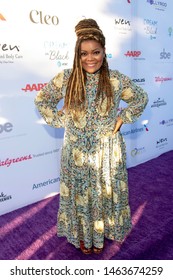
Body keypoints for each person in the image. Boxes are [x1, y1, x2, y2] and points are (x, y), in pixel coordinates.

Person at [35, 18, 148, 254]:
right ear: (77, 54)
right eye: (84, 53)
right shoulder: (66, 78)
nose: (90, 58)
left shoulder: (115, 80)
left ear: (104, 52)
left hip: (107, 151)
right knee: (80, 195)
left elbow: (140, 98)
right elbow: (42, 100)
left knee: (104, 192)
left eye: (95, 52)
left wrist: (123, 119)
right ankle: (83, 235)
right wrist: (61, 120)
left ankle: (103, 230)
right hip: (76, 153)